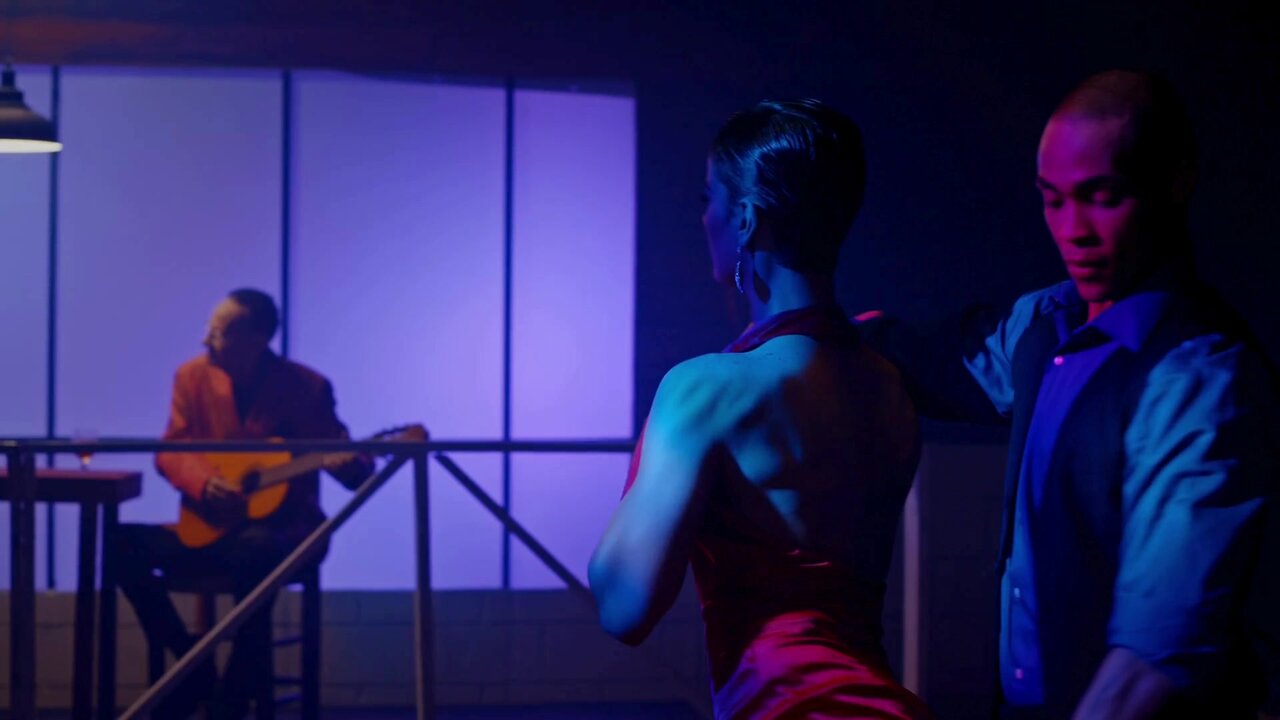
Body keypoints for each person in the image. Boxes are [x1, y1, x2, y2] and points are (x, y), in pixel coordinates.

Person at [860, 70, 1278, 718]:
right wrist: (817, 333)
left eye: (1101, 197)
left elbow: (1154, 658)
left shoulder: (1197, 375)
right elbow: (939, 360)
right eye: (1052, 200)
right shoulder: (1048, 322)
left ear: (1176, 183)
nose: (1071, 229)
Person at [589, 99, 933, 719]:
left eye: (709, 199)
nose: (703, 218)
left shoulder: (705, 389)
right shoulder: (888, 386)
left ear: (745, 219)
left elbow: (623, 606)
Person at [115, 288, 373, 719]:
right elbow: (171, 450)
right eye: (209, 328)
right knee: (118, 545)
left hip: (286, 534)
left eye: (218, 332)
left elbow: (353, 467)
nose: (205, 339)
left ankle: (232, 700)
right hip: (211, 529)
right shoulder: (190, 377)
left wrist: (351, 464)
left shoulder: (306, 387)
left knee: (259, 553)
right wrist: (203, 483)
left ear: (258, 338)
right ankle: (193, 669)